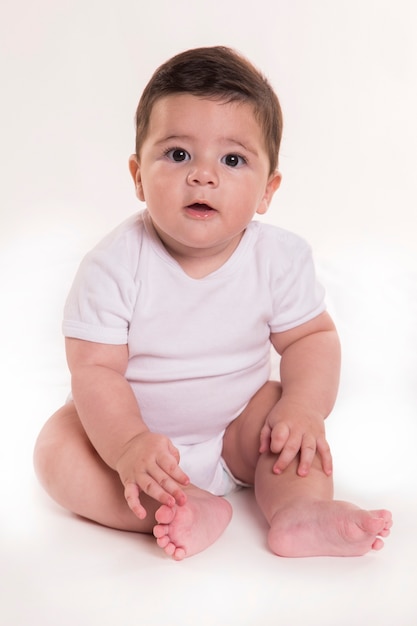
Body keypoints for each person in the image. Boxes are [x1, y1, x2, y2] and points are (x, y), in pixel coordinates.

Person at [34, 46, 392, 561]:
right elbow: (94, 373)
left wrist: (303, 407)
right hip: (132, 445)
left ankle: (298, 512)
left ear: (267, 191)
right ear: (138, 175)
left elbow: (311, 338)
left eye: (232, 159)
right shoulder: (112, 266)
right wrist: (130, 445)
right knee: (57, 448)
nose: (204, 175)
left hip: (236, 430)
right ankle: (183, 505)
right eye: (178, 154)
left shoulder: (278, 258)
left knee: (283, 419)